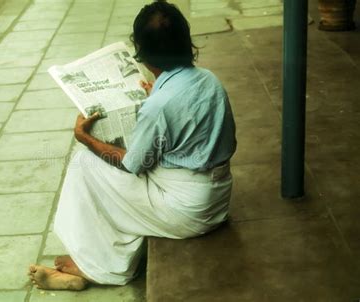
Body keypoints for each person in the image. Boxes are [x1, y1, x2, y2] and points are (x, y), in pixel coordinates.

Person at [28, 0, 236, 290]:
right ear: (185, 41)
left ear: (143, 52)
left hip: (187, 211)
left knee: (83, 165)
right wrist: (157, 96)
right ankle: (102, 258)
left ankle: (98, 268)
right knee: (111, 178)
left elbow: (131, 165)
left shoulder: (160, 106)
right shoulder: (209, 80)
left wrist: (86, 139)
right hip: (216, 199)